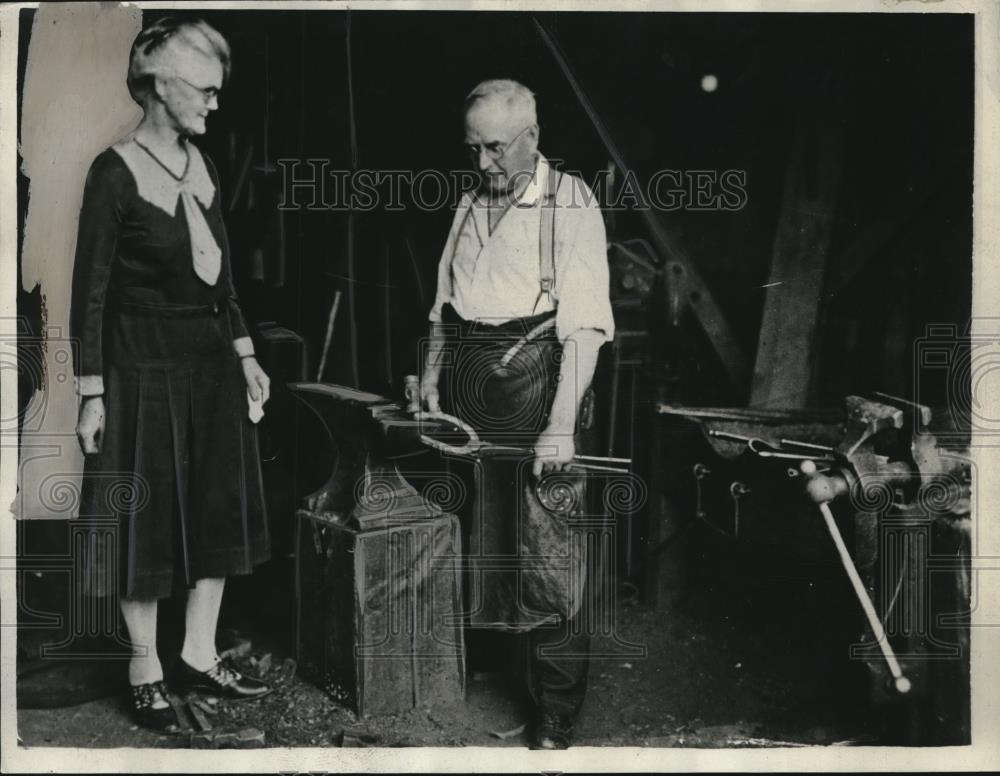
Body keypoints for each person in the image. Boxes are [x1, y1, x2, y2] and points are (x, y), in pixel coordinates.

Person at [71, 17, 272, 734]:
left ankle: (197, 649)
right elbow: (89, 293)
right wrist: (92, 394)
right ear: (162, 86)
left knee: (215, 505)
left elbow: (225, 285)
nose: (216, 105)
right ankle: (145, 667)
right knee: (146, 518)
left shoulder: (205, 168)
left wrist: (247, 356)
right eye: (207, 92)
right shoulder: (113, 172)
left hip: (211, 365)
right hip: (142, 368)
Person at [420, 79, 615, 749]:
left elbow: (585, 329)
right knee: (495, 542)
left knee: (551, 553)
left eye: (496, 149)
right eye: (473, 149)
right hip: (477, 386)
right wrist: (430, 378)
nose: (483, 165)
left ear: (532, 137)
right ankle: (510, 680)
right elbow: (445, 302)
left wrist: (560, 428)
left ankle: (557, 713)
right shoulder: (473, 199)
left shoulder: (572, 203)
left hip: (542, 382)